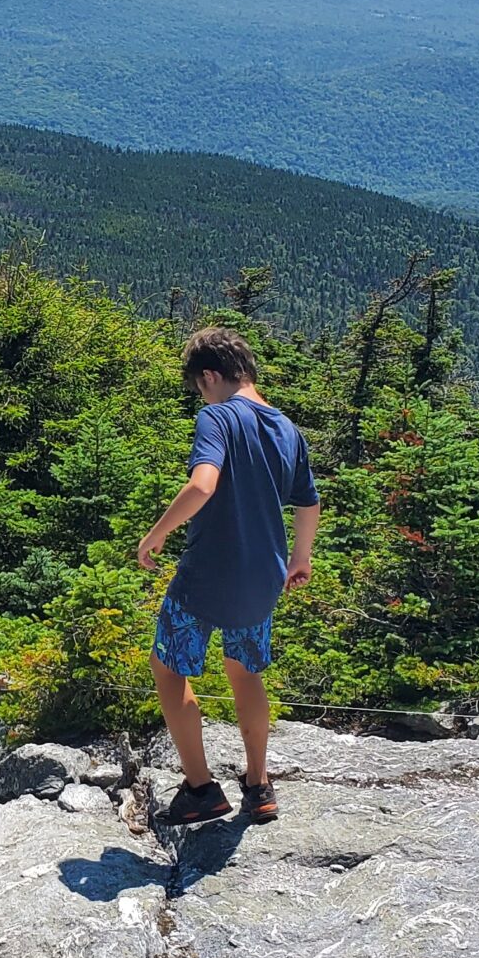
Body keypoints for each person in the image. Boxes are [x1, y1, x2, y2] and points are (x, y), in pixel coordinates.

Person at [136, 326, 319, 825]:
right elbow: (309, 501)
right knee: (246, 671)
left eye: (200, 385)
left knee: (169, 667)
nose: (202, 394)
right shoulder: (286, 428)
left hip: (207, 575)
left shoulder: (216, 417)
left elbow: (202, 484)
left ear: (211, 375)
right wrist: (300, 558)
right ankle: (259, 788)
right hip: (265, 577)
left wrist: (155, 535)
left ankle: (201, 789)